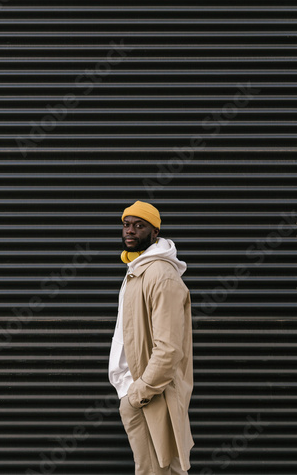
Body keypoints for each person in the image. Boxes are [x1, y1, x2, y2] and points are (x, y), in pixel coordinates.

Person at [108, 200, 194, 475]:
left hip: (150, 395)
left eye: (139, 225)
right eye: (126, 225)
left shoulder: (160, 274)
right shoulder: (138, 270)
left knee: (159, 470)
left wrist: (139, 392)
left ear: (155, 232)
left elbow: (169, 348)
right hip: (136, 392)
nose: (130, 231)